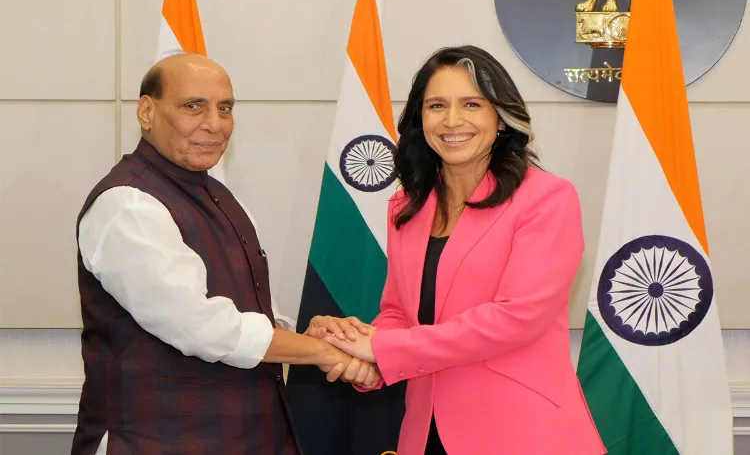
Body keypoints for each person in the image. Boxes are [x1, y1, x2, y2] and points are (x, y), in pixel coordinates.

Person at [72, 53, 379, 455]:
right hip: (154, 441)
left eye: (226, 108)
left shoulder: (217, 195)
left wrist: (303, 334)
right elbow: (199, 326)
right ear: (147, 111)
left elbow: (244, 312)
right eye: (193, 106)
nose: (215, 124)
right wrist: (322, 352)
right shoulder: (127, 204)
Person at [306, 46, 606, 454]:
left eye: (471, 104)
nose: (452, 121)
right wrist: (368, 361)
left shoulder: (547, 198)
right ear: (420, 119)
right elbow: (398, 312)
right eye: (436, 106)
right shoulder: (406, 205)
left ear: (500, 117)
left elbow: (516, 318)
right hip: (424, 432)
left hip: (521, 431)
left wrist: (380, 349)